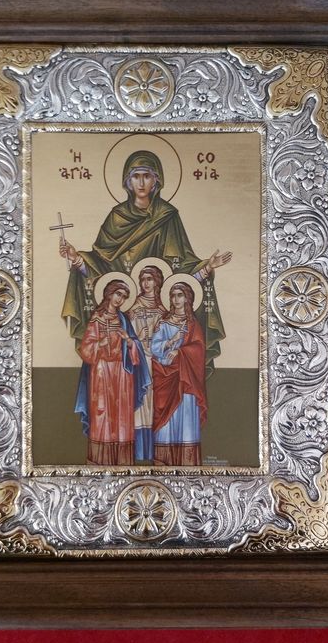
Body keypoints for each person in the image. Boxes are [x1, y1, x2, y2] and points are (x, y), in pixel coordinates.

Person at [59, 150, 231, 374]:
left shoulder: (168, 216)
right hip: (127, 314)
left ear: (156, 181)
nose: (141, 183)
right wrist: (77, 259)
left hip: (161, 316)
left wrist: (207, 267)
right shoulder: (116, 217)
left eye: (147, 176)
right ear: (127, 181)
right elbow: (102, 266)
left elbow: (182, 268)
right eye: (136, 176)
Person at [74, 279, 150, 465]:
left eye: (124, 297)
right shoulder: (96, 318)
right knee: (102, 412)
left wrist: (129, 341)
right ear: (109, 293)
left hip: (122, 373)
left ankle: (122, 461)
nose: (120, 299)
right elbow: (85, 349)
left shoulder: (123, 320)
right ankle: (101, 460)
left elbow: (135, 346)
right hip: (101, 372)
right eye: (118, 294)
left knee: (122, 415)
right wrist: (100, 344)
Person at [151, 281, 207, 466]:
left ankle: (186, 463)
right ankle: (164, 461)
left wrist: (180, 352)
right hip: (165, 376)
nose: (176, 299)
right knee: (166, 422)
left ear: (187, 298)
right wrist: (170, 343)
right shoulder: (163, 323)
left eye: (180, 295)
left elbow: (199, 350)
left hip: (185, 379)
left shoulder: (192, 325)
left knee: (186, 416)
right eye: (173, 295)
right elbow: (154, 348)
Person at [128, 265, 167, 461]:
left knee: (155, 406)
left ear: (157, 282)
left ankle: (155, 451)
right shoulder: (133, 309)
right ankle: (140, 452)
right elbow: (127, 338)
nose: (145, 283)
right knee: (141, 404)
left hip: (159, 364)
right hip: (140, 361)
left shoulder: (163, 309)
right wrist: (138, 337)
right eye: (143, 279)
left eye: (149, 279)